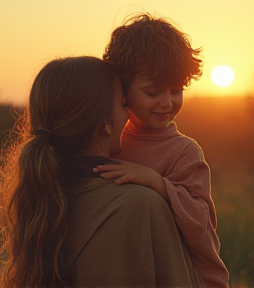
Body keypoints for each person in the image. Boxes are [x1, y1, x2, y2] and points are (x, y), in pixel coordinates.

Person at [0, 56, 198, 287]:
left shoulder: (35, 202)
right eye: (123, 104)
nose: (128, 114)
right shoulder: (143, 205)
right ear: (107, 123)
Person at [96, 13, 229, 287]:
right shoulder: (106, 140)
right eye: (153, 92)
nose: (167, 102)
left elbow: (202, 225)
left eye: (176, 90)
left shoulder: (185, 152)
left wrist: (158, 183)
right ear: (122, 88)